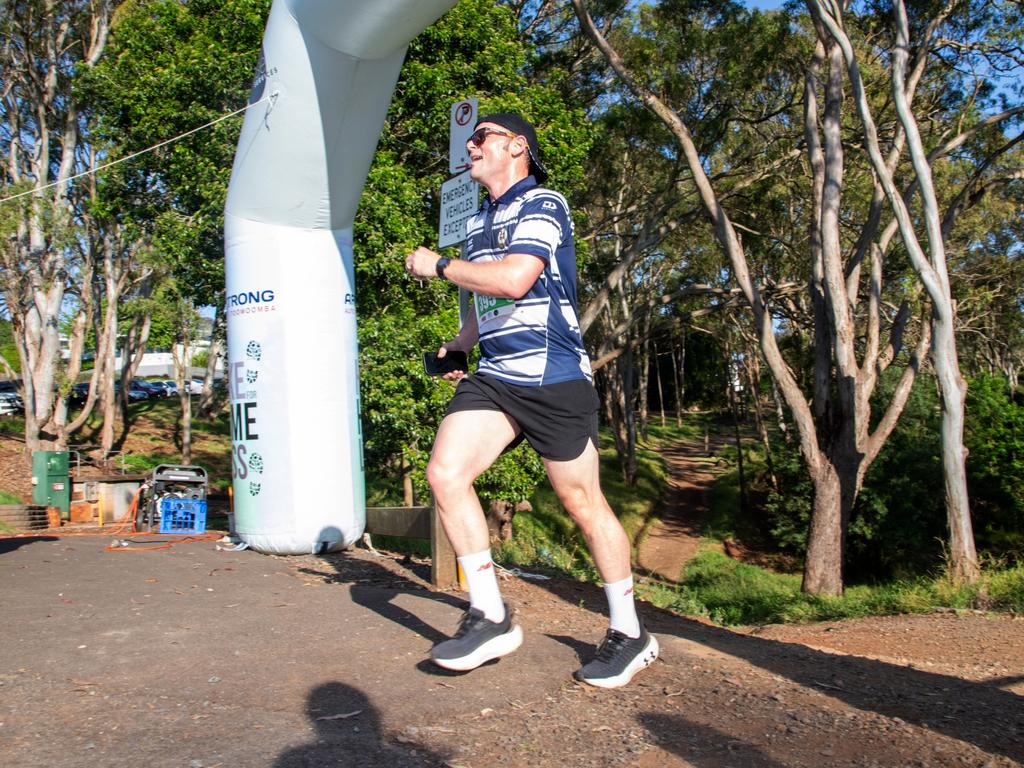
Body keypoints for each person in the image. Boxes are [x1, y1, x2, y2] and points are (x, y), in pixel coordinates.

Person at [405, 112, 658, 689]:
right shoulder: (477, 224)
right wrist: (458, 346)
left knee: (582, 502)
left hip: (552, 377)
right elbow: (482, 309)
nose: (470, 145)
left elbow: (516, 279)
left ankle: (630, 631)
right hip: (496, 376)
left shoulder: (544, 203)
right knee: (445, 473)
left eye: (482, 136)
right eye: (471, 139)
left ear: (517, 146)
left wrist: (438, 265)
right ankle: (490, 615)